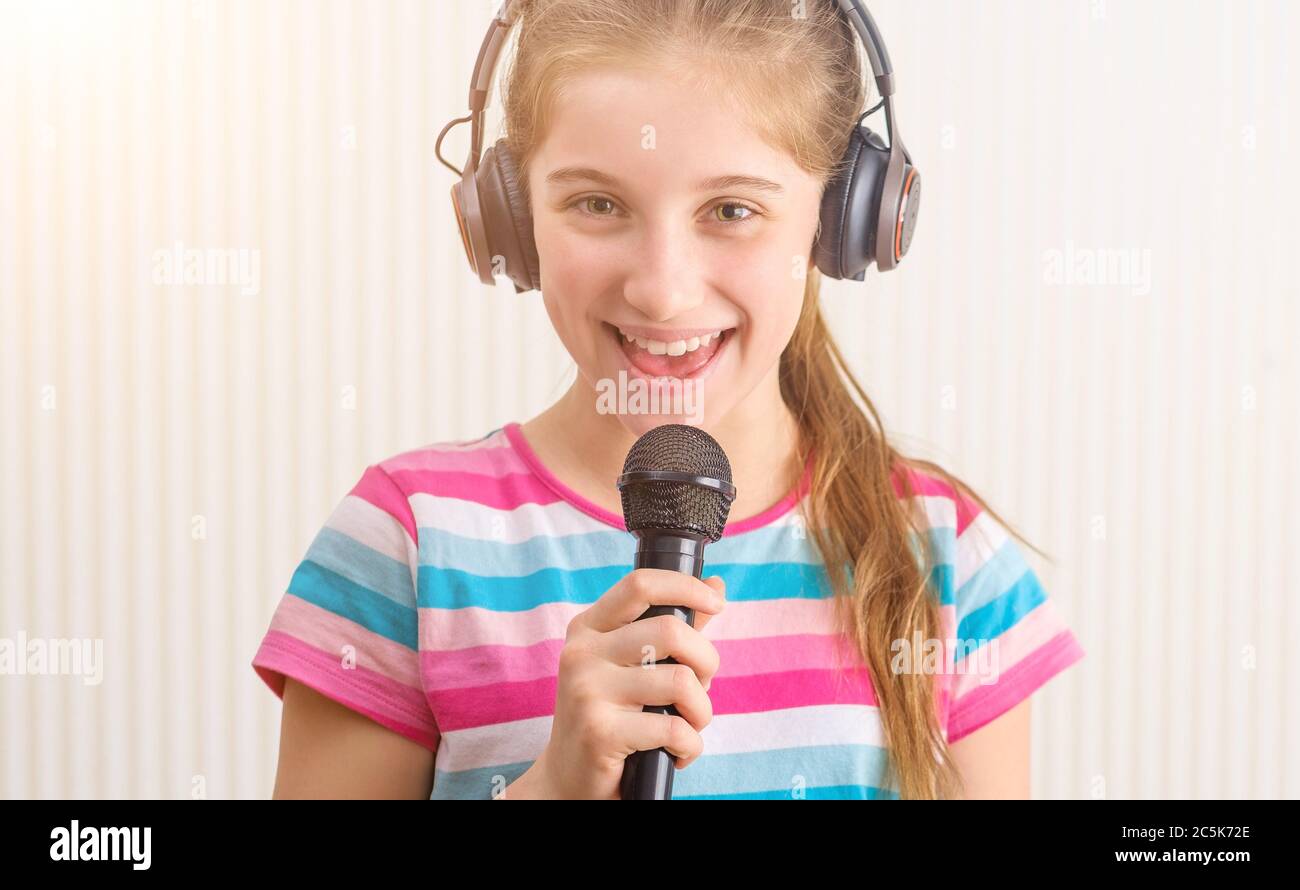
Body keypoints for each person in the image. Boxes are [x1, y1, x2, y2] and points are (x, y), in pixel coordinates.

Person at [252, 0, 1084, 799]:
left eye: (731, 209)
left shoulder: (949, 569)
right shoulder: (407, 546)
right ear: (510, 218)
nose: (660, 291)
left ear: (839, 220)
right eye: (598, 203)